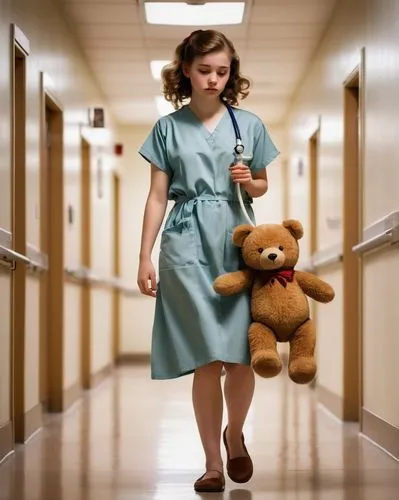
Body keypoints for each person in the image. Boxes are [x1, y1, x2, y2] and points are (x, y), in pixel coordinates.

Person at [137, 29, 279, 492]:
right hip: (186, 242)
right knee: (205, 359)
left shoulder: (249, 125)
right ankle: (213, 462)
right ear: (185, 71)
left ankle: (235, 435)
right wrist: (144, 254)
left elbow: (260, 186)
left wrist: (248, 180)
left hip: (236, 241)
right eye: (204, 71)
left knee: (239, 356)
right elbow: (158, 196)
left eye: (222, 71)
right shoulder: (167, 128)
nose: (214, 79)